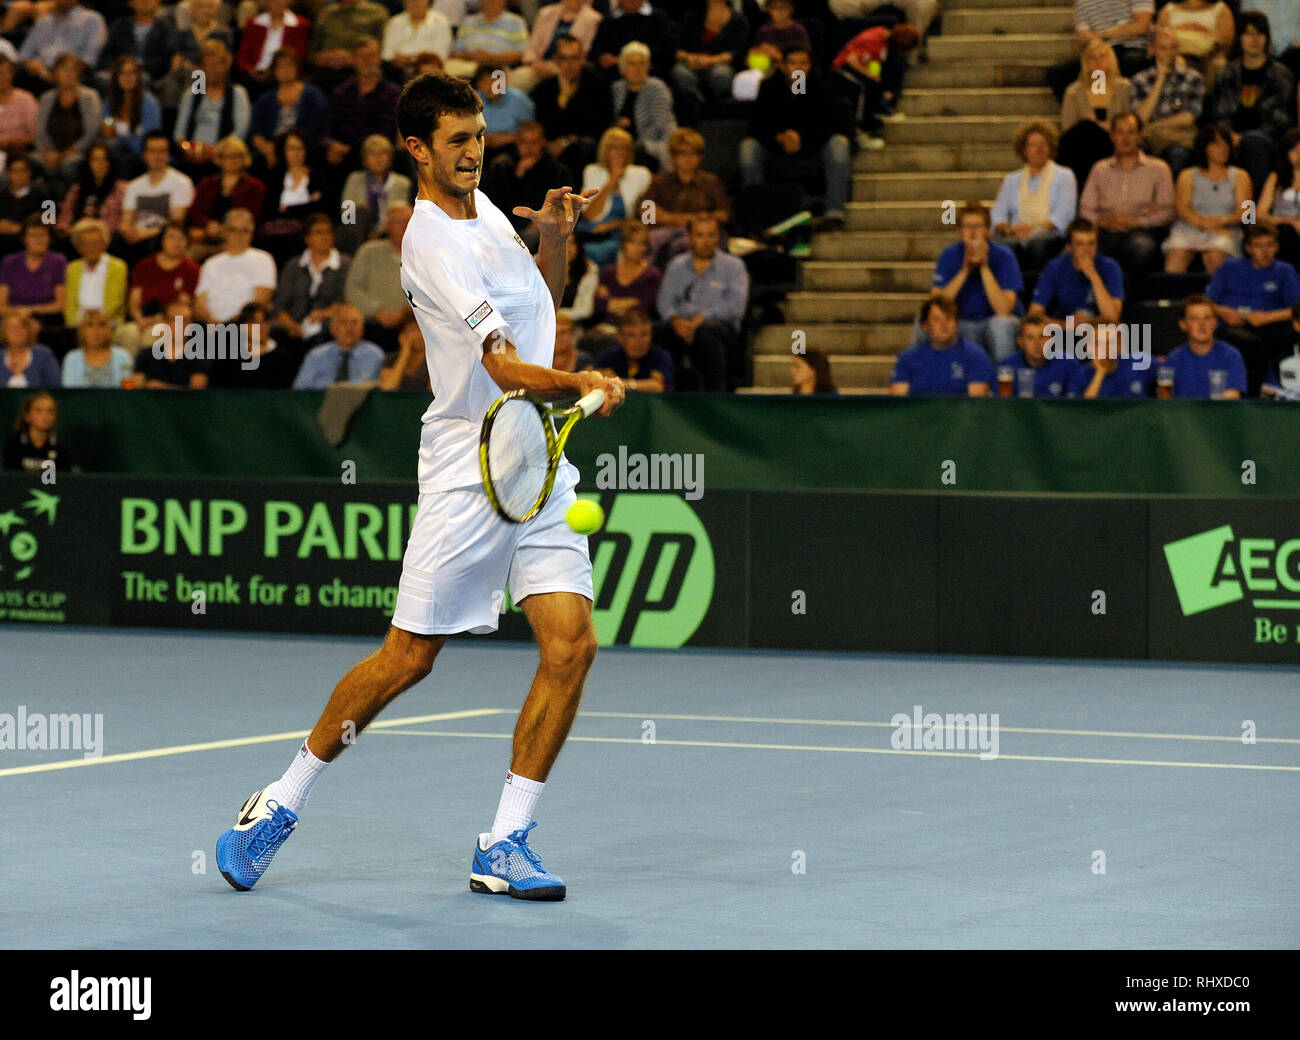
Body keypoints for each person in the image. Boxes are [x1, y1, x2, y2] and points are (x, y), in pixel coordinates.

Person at [213, 72, 625, 900]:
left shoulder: (496, 215)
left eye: (479, 137)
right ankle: (278, 805)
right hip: (469, 473)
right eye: (457, 141)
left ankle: (504, 843)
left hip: (539, 462)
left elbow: (539, 306)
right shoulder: (429, 238)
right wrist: (578, 376)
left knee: (572, 644)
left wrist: (553, 237)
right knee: (409, 659)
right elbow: (502, 365)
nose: (474, 152)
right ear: (417, 149)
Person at [739, 46, 851, 230]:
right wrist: (780, 137)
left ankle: (834, 211)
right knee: (749, 147)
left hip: (812, 149)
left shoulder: (820, 88)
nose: (798, 68)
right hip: (776, 149)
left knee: (839, 144)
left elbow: (829, 125)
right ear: (782, 65)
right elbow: (757, 125)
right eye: (793, 63)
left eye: (803, 63)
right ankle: (757, 211)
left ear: (810, 66)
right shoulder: (769, 87)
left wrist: (802, 139)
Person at [655, 213, 749, 392]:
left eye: (711, 235)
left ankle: (716, 398)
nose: (705, 240)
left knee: (705, 334)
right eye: (700, 235)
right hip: (680, 325)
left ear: (718, 237)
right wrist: (676, 320)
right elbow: (664, 301)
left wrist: (701, 319)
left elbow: (736, 306)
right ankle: (666, 397)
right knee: (658, 331)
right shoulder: (676, 265)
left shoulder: (734, 266)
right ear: (690, 237)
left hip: (719, 328)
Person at [1078, 111, 1175, 282]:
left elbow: (1167, 211)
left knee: (1141, 247)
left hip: (1142, 230)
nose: (1125, 138)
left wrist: (1136, 222)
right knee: (1075, 249)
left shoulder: (1159, 168)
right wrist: (1101, 221)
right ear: (1112, 136)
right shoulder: (1100, 168)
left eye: (1131, 132)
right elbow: (1086, 209)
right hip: (1103, 230)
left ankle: (1120, 300)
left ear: (1140, 136)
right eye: (1120, 132)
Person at [923, 200, 1023, 363]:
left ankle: (1004, 382)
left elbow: (1004, 310)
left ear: (987, 231)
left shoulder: (1004, 256)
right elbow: (935, 305)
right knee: (926, 324)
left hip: (992, 322)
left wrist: (984, 268)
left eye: (978, 226)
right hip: (961, 323)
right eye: (967, 227)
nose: (973, 233)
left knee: (1001, 325)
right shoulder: (949, 254)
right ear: (959, 232)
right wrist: (965, 270)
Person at [1206, 12, 1294, 197]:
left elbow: (1281, 120)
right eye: (1248, 33)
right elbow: (1219, 114)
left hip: (1268, 142)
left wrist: (1244, 137)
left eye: (1259, 33)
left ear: (1267, 38)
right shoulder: (1227, 72)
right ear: (1240, 38)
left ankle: (1251, 218)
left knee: (1253, 143)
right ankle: (1224, 215)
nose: (1254, 39)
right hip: (1230, 139)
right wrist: (1231, 137)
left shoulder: (1280, 74)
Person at [1206, 223, 1300, 396]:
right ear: (1248, 248)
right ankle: (1255, 391)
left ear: (1277, 246)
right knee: (1249, 342)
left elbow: (1296, 309)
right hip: (1232, 325)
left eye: (1269, 245)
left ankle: (1277, 388)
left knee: (1286, 333)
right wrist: (1224, 312)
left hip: (1269, 326)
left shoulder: (1284, 271)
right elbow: (1206, 302)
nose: (1265, 251)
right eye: (1258, 246)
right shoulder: (1229, 267)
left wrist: (1267, 317)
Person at [1162, 122, 1249, 274]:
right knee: (1176, 257)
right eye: (1217, 144)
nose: (1223, 149)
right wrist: (1208, 226)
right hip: (1189, 228)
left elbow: (1248, 215)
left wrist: (1219, 222)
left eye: (1226, 144)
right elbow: (1182, 210)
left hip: (1227, 231)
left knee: (1215, 255)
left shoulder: (1242, 176)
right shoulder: (1187, 175)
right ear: (1205, 147)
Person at [992, 120, 1077, 273]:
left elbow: (1065, 213)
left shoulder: (1065, 175)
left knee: (1038, 243)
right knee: (1007, 246)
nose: (1039, 149)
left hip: (1049, 234)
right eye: (1033, 145)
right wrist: (1008, 229)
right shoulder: (1012, 180)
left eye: (1043, 144)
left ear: (1050, 148)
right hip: (1016, 233)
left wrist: (1036, 228)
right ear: (1024, 150)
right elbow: (997, 213)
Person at [641, 127, 730, 268]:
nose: (688, 158)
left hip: (700, 234)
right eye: (682, 153)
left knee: (682, 244)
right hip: (664, 233)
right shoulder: (660, 182)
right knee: (649, 240)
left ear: (700, 157)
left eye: (693, 153)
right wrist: (681, 219)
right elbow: (646, 215)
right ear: (673, 157)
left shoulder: (711, 182)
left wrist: (672, 218)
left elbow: (724, 215)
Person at [530, 35, 613, 185]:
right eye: (564, 59)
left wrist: (566, 141)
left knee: (580, 148)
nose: (569, 64)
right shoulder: (544, 89)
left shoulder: (598, 86)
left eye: (574, 58)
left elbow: (597, 126)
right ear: (556, 60)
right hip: (550, 144)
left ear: (583, 59)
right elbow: (541, 123)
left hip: (583, 145)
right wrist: (562, 97)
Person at [1057, 39, 1131, 192]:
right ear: (1086, 62)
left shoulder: (1124, 88)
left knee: (1089, 127)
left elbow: (1131, 123)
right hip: (1082, 147)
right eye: (1093, 57)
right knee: (1085, 130)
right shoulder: (1073, 91)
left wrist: (1098, 125)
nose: (1098, 62)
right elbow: (1068, 129)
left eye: (1103, 56)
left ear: (1110, 60)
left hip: (1113, 144)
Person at [1130, 26, 1204, 179]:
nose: (1169, 54)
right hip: (1148, 142)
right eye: (1163, 48)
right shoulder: (1140, 80)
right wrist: (1159, 81)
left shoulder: (1193, 78)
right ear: (1152, 50)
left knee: (1177, 155)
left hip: (1179, 140)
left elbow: (1189, 117)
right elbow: (1141, 118)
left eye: (1173, 48)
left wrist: (1154, 126)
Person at [482, 118, 566, 251]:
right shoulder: (503, 166)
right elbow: (496, 204)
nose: (529, 148)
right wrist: (518, 176)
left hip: (538, 226)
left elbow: (562, 204)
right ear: (517, 142)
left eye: (534, 143)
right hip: (507, 226)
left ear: (543, 142)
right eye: (524, 142)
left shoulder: (555, 169)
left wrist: (542, 221)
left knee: (531, 237)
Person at [323, 36, 401, 180]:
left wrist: (351, 148)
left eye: (371, 56)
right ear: (353, 60)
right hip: (338, 154)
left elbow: (386, 131)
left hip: (372, 153)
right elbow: (327, 126)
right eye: (361, 57)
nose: (366, 61)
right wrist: (330, 144)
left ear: (379, 59)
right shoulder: (341, 92)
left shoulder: (392, 93)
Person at [1047, 0, 1154, 101]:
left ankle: (1128, 116)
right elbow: (1084, 35)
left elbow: (1141, 26)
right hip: (1098, 49)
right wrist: (1094, 42)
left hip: (1131, 48)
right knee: (1058, 74)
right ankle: (1089, 114)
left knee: (1128, 63)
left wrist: (1101, 35)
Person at [273, 213, 350, 349]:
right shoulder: (294, 265)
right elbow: (280, 304)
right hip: (293, 322)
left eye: (328, 232)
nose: (325, 237)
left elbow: (345, 300)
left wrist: (324, 314)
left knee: (325, 331)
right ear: (307, 238)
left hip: (326, 322)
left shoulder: (345, 265)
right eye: (319, 232)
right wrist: (290, 324)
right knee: (273, 332)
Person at [576, 126, 651, 266]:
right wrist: (611, 181)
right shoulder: (592, 171)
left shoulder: (642, 174)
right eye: (616, 148)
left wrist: (616, 224)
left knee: (592, 253)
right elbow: (590, 215)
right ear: (605, 150)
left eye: (626, 148)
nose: (621, 153)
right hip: (591, 231)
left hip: (623, 234)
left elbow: (649, 216)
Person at [1029, 217, 1124, 326]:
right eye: (1080, 244)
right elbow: (1034, 314)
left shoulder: (1110, 267)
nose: (1086, 250)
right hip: (1064, 331)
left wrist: (1093, 275)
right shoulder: (1055, 267)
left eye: (1091, 243)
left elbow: (1113, 318)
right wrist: (1067, 325)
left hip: (1099, 333)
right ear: (1069, 247)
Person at [119, 131, 196, 266]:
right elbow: (126, 220)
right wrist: (128, 231)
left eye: (162, 151)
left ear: (168, 154)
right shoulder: (134, 186)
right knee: (116, 242)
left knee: (152, 244)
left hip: (162, 236)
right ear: (144, 155)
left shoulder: (182, 182)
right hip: (137, 235)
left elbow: (177, 221)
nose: (157, 156)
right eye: (153, 151)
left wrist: (146, 234)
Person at [890, 296, 993, 396]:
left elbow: (976, 405)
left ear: (956, 323)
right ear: (925, 326)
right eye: (936, 319)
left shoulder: (976, 356)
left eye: (949, 318)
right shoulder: (907, 358)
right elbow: (899, 401)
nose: (944, 324)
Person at [344, 200, 412, 351]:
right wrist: (377, 311)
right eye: (398, 222)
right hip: (371, 324)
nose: (403, 226)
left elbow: (434, 292)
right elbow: (353, 289)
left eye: (408, 221)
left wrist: (406, 312)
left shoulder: (426, 255)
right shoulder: (368, 251)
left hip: (412, 325)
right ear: (387, 225)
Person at [187, 135, 267, 261]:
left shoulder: (254, 186)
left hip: (238, 237)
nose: (232, 160)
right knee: (190, 254)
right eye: (227, 156)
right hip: (207, 237)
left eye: (237, 156)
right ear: (219, 159)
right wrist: (207, 224)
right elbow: (194, 211)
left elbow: (253, 216)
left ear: (244, 158)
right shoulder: (207, 183)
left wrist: (226, 230)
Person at [248, 47, 329, 170]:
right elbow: (256, 133)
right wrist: (270, 151)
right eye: (281, 66)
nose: (286, 70)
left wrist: (291, 150)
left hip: (303, 149)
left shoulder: (313, 94)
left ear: (297, 68)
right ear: (274, 71)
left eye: (290, 65)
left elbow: (316, 129)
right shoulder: (265, 99)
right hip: (272, 150)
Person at [256, 128, 327, 266]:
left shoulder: (318, 177)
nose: (296, 153)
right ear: (283, 151)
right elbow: (270, 210)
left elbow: (320, 209)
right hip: (276, 232)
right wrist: (306, 205)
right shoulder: (274, 176)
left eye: (300, 148)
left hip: (306, 230)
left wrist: (288, 209)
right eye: (291, 148)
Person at [194, 207, 276, 323]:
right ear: (225, 232)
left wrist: (230, 324)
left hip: (244, 326)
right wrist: (211, 321)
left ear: (251, 233)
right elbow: (200, 302)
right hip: (210, 327)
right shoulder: (211, 263)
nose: (239, 235)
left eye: (244, 230)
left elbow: (259, 303)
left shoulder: (263, 259)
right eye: (233, 230)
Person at [34, 51, 100, 185]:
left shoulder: (90, 96)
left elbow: (91, 132)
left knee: (68, 166)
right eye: (64, 69)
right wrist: (47, 153)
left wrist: (63, 155)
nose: (68, 74)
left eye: (73, 69)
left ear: (78, 73)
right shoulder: (46, 98)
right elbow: (39, 131)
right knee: (28, 161)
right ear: (56, 73)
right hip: (49, 151)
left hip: (78, 152)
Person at [610, 41, 676, 173]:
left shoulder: (657, 88)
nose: (637, 68)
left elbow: (659, 125)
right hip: (623, 145)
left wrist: (633, 147)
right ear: (622, 67)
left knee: (641, 153)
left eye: (642, 63)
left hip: (655, 143)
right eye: (632, 64)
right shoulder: (617, 88)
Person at [340, 133, 413, 252]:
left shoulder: (402, 183)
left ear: (390, 158)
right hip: (358, 233)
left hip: (389, 234)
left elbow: (402, 215)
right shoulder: (354, 179)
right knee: (359, 213)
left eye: (383, 153)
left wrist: (380, 232)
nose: (378, 158)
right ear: (364, 159)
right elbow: (346, 215)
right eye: (373, 154)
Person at [1164, 293, 1245, 398]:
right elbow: (1166, 401)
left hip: (1219, 413)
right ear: (1183, 324)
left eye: (1207, 318)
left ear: (1215, 323)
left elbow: (1233, 396)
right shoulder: (1173, 360)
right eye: (1194, 319)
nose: (1202, 324)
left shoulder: (1230, 356)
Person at [127, 220, 200, 335]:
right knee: (129, 333)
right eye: (171, 237)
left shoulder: (191, 269)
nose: (177, 243)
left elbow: (183, 305)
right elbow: (134, 302)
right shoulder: (144, 265)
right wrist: (139, 319)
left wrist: (155, 320)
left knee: (152, 335)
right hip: (142, 319)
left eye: (181, 238)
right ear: (161, 240)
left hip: (171, 323)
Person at [672, 0, 747, 110]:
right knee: (679, 71)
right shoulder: (691, 17)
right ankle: (696, 103)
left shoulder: (739, 21)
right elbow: (676, 47)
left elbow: (737, 52)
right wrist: (689, 57)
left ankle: (722, 111)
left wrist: (711, 61)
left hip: (720, 63)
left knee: (721, 74)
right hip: (693, 62)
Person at [17, 0, 107, 91]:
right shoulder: (44, 22)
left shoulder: (92, 19)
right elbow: (23, 55)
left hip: (74, 73)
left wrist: (62, 74)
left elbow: (89, 59)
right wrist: (38, 69)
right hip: (40, 74)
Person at [207, 300, 300, 388]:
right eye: (253, 322)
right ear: (241, 327)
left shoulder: (285, 358)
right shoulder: (227, 359)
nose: (260, 327)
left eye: (264, 322)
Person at [128, 294, 211, 388]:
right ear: (164, 323)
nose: (180, 325)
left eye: (185, 320)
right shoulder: (146, 355)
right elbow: (136, 388)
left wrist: (158, 387)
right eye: (174, 320)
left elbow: (197, 392)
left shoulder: (199, 357)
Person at [444, 0, 531, 89]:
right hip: (467, 65)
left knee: (496, 82)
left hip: (498, 66)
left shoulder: (516, 22)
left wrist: (492, 58)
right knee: (446, 77)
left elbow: (520, 53)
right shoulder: (468, 21)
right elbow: (454, 52)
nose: (491, 2)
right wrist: (470, 56)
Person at [54, 142, 127, 246]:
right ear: (88, 163)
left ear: (110, 163)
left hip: (105, 239)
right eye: (95, 160)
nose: (100, 164)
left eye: (104, 160)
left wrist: (91, 232)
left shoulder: (122, 189)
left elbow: (117, 224)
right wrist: (68, 229)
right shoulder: (77, 189)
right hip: (76, 238)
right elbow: (64, 218)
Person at [100, 54, 161, 177]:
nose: (127, 77)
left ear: (138, 76)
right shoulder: (108, 103)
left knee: (125, 161)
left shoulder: (149, 103)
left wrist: (122, 141)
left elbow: (149, 140)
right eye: (123, 73)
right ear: (116, 77)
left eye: (132, 73)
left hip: (141, 157)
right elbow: (108, 136)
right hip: (116, 154)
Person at [0, 215, 67, 322]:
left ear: (49, 238)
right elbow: (1, 306)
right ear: (24, 239)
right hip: (13, 319)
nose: (39, 240)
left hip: (47, 320)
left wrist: (32, 310)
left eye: (43, 235)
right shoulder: (9, 262)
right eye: (33, 235)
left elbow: (60, 304)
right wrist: (18, 314)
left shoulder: (58, 261)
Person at [996, 314, 1081, 398]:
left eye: (1042, 337)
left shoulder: (1068, 363)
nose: (1037, 344)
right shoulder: (1006, 366)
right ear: (1020, 342)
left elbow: (1075, 404)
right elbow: (999, 404)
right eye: (1030, 338)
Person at [63, 217, 128, 326]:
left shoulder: (118, 267)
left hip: (109, 324)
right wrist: (76, 324)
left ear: (104, 243)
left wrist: (95, 324)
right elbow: (69, 305)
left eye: (95, 243)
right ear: (78, 247)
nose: (91, 248)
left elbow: (115, 303)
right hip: (78, 325)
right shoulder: (72, 268)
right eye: (86, 244)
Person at [589, 0, 674, 82]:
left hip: (651, 74)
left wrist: (630, 59)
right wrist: (602, 57)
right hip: (614, 74)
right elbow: (595, 51)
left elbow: (668, 50)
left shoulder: (658, 18)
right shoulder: (609, 21)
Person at [593, 219, 661, 322]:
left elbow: (645, 306)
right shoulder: (609, 272)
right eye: (632, 242)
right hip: (608, 326)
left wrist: (613, 303)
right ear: (623, 244)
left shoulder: (653, 274)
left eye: (642, 243)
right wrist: (630, 302)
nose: (638, 248)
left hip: (638, 327)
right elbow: (598, 305)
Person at [521, 0, 601, 87]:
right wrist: (534, 63)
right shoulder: (545, 13)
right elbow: (532, 46)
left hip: (568, 67)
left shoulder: (594, 19)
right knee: (519, 79)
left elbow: (584, 52)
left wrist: (554, 65)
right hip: (538, 65)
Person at [236, 0, 312, 90]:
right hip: (254, 75)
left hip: (283, 74)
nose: (278, 3)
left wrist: (274, 71)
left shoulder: (300, 25)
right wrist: (251, 70)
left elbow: (299, 55)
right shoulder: (253, 23)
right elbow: (243, 56)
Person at [593, 306, 672, 392]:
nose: (639, 341)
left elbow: (658, 386)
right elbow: (595, 381)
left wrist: (622, 384)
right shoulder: (608, 357)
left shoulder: (660, 356)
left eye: (644, 334)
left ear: (651, 336)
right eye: (631, 335)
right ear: (620, 338)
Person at [472, 62, 535, 163]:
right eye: (484, 81)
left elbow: (531, 132)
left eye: (493, 80)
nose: (489, 86)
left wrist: (511, 138)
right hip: (480, 145)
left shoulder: (521, 101)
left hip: (513, 146)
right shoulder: (473, 101)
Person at [1072, 322, 1155, 397]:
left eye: (1110, 342)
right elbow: (1083, 410)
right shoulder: (1079, 373)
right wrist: (1100, 373)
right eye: (1098, 343)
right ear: (1087, 346)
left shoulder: (1141, 364)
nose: (1105, 348)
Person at [3, 390, 79, 471]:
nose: (45, 416)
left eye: (50, 411)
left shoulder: (61, 447)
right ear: (27, 416)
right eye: (39, 410)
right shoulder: (14, 445)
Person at [1259, 129, 1300, 270]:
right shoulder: (1275, 177)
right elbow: (1259, 213)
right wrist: (1290, 222)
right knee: (1286, 231)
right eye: (1294, 150)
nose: (1299, 155)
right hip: (1282, 230)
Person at [61, 308, 133, 387]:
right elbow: (70, 394)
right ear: (82, 330)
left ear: (109, 329)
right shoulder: (72, 359)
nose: (96, 330)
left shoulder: (123, 356)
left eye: (101, 325)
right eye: (90, 325)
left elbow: (127, 392)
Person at [383, 0, 453, 79]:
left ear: (428, 1)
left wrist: (412, 60)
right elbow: (386, 54)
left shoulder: (441, 21)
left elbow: (440, 55)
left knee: (428, 69)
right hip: (398, 70)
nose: (415, 3)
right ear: (405, 2)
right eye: (411, 1)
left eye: (419, 0)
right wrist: (398, 60)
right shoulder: (395, 22)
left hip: (428, 68)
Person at [0, 154, 46, 257]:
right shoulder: (1, 195)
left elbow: (49, 222)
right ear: (8, 173)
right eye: (15, 171)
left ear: (29, 172)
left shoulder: (45, 194)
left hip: (29, 243)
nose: (19, 175)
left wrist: (20, 228)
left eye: (23, 170)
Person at [1, 311, 60, 387]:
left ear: (29, 331)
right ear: (4, 332)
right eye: (12, 328)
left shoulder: (43, 355)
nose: (17, 331)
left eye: (22, 327)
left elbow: (56, 386)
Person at [0, 54, 38, 158]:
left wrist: (13, 142)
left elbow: (35, 133)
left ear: (12, 74)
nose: (1, 77)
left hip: (21, 152)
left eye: (4, 73)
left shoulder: (26, 99)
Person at [379, 315, 431, 391]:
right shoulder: (391, 359)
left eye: (421, 329)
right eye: (412, 330)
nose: (418, 334)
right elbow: (388, 388)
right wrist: (405, 353)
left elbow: (433, 391)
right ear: (403, 335)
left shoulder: (434, 359)